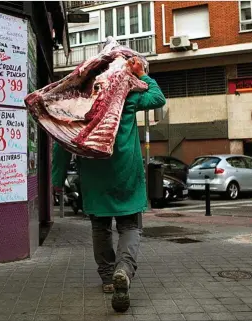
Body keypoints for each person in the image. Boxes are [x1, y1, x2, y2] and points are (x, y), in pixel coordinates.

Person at [52, 56, 166, 312]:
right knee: (130, 226)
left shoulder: (78, 103)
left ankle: (107, 278)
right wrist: (142, 74)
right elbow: (158, 98)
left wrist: (58, 178)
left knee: (100, 226)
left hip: (94, 174)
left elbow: (64, 141)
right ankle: (123, 271)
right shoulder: (128, 96)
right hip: (126, 171)